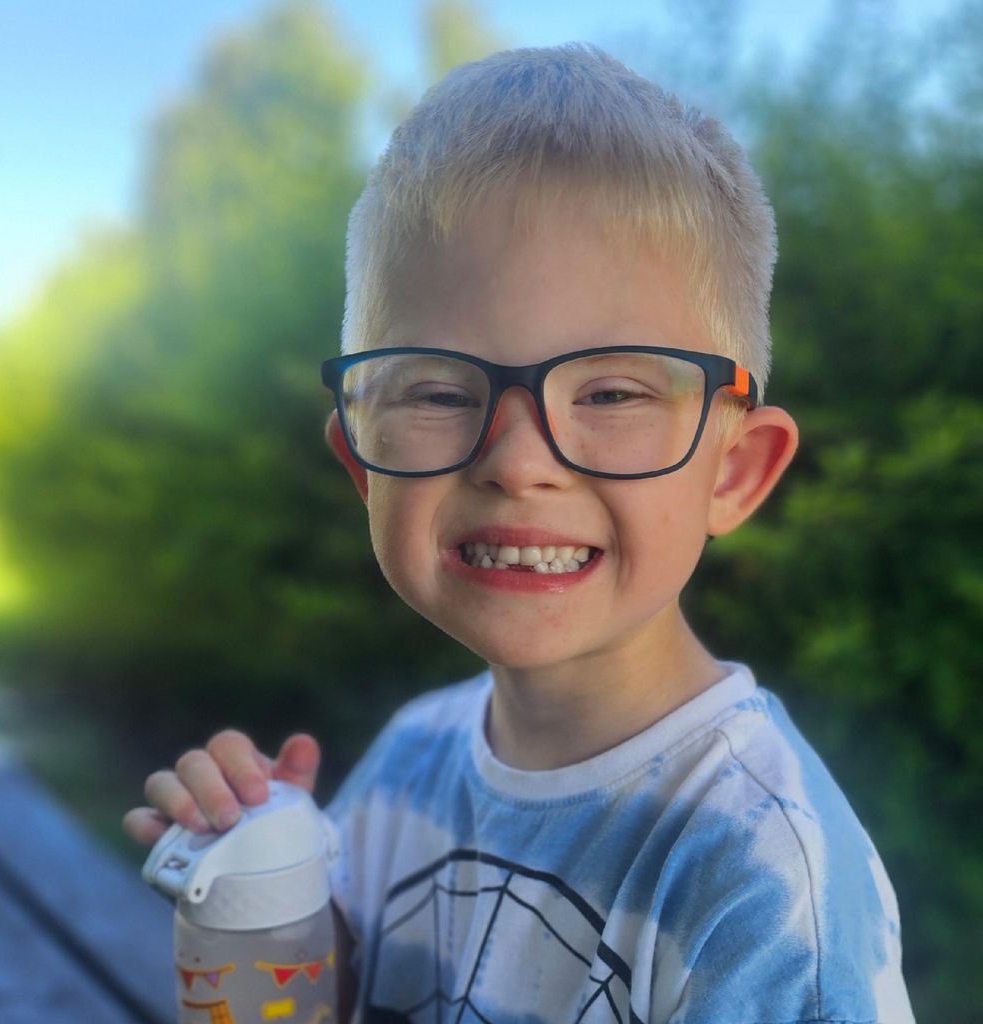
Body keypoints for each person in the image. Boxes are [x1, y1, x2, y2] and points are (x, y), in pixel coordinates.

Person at [125, 45, 915, 1023]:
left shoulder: (762, 882)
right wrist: (266, 894)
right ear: (363, 463)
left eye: (613, 392)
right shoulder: (412, 758)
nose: (517, 461)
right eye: (439, 391)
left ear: (734, 471)